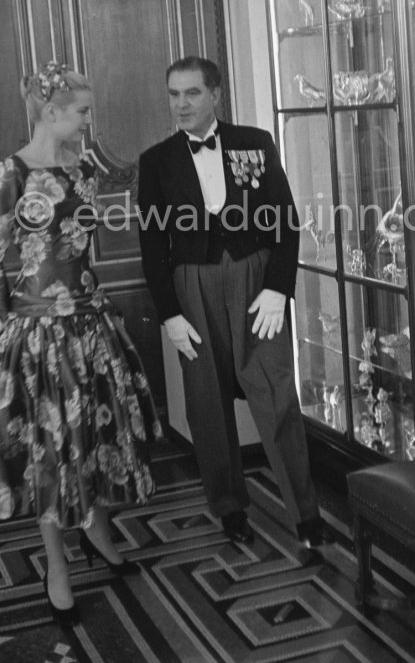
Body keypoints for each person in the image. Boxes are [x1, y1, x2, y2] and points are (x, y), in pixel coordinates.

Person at [0, 62, 163, 627]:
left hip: (92, 322)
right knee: (49, 451)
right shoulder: (9, 172)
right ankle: (56, 565)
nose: (89, 120)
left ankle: (99, 535)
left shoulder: (85, 164)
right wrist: (3, 324)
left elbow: (133, 178)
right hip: (38, 332)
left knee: (94, 437)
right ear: (51, 112)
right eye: (82, 111)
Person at [137, 55, 331, 548]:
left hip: (254, 283)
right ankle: (229, 508)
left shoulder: (255, 143)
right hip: (192, 288)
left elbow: (287, 221)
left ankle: (306, 514)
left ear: (216, 94)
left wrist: (277, 288)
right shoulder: (157, 161)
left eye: (192, 93)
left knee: (276, 395)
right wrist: (170, 316)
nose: (181, 104)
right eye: (174, 95)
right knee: (206, 403)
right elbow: (152, 246)